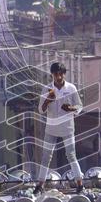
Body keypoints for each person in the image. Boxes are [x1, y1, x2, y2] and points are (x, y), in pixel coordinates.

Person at [35, 61, 83, 192]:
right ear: (52, 75)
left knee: (71, 155)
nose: (59, 77)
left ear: (64, 74)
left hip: (67, 128)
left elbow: (79, 107)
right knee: (46, 156)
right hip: (51, 128)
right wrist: (47, 101)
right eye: (56, 74)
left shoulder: (71, 88)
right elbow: (41, 109)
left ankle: (79, 183)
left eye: (61, 74)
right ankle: (40, 184)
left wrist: (71, 108)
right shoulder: (47, 89)